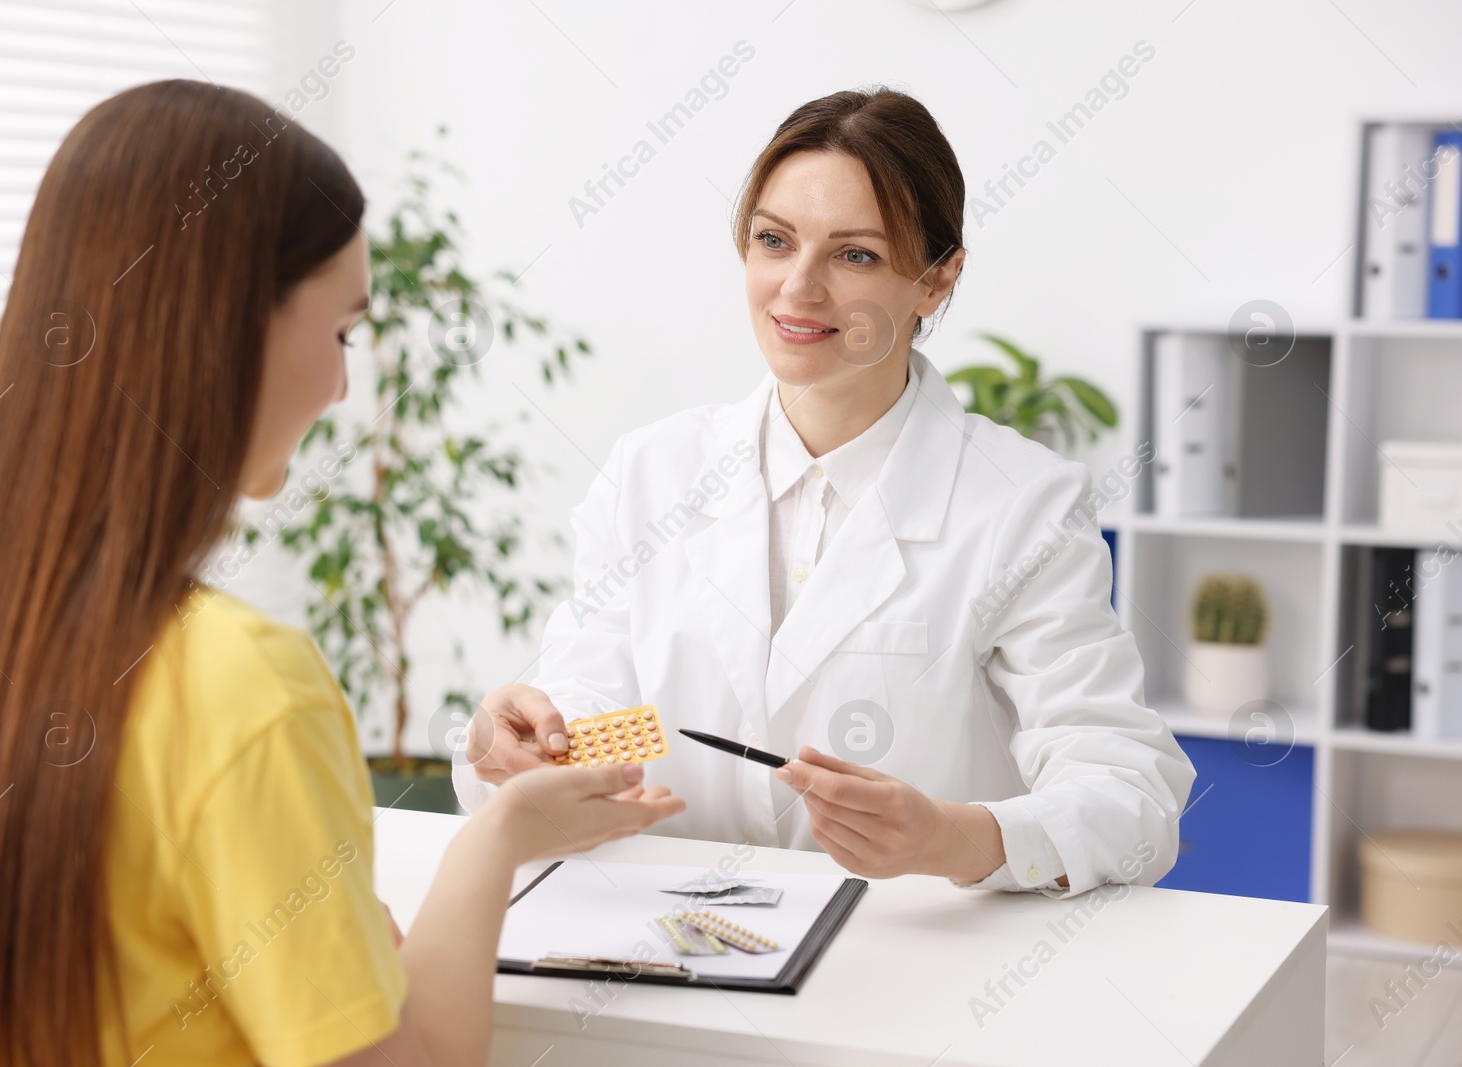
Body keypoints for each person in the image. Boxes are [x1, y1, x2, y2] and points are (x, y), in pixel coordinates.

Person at [0, 80, 683, 1067]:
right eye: (339, 333)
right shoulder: (247, 685)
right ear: (228, 325)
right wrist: (497, 838)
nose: (341, 386)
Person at [458, 87, 1195, 896]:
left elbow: (1132, 793)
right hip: (670, 949)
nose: (798, 289)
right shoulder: (652, 473)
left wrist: (955, 837)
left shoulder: (1023, 505)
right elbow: (589, 711)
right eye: (774, 240)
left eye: (856, 256)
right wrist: (527, 747)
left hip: (910, 981)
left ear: (937, 281)